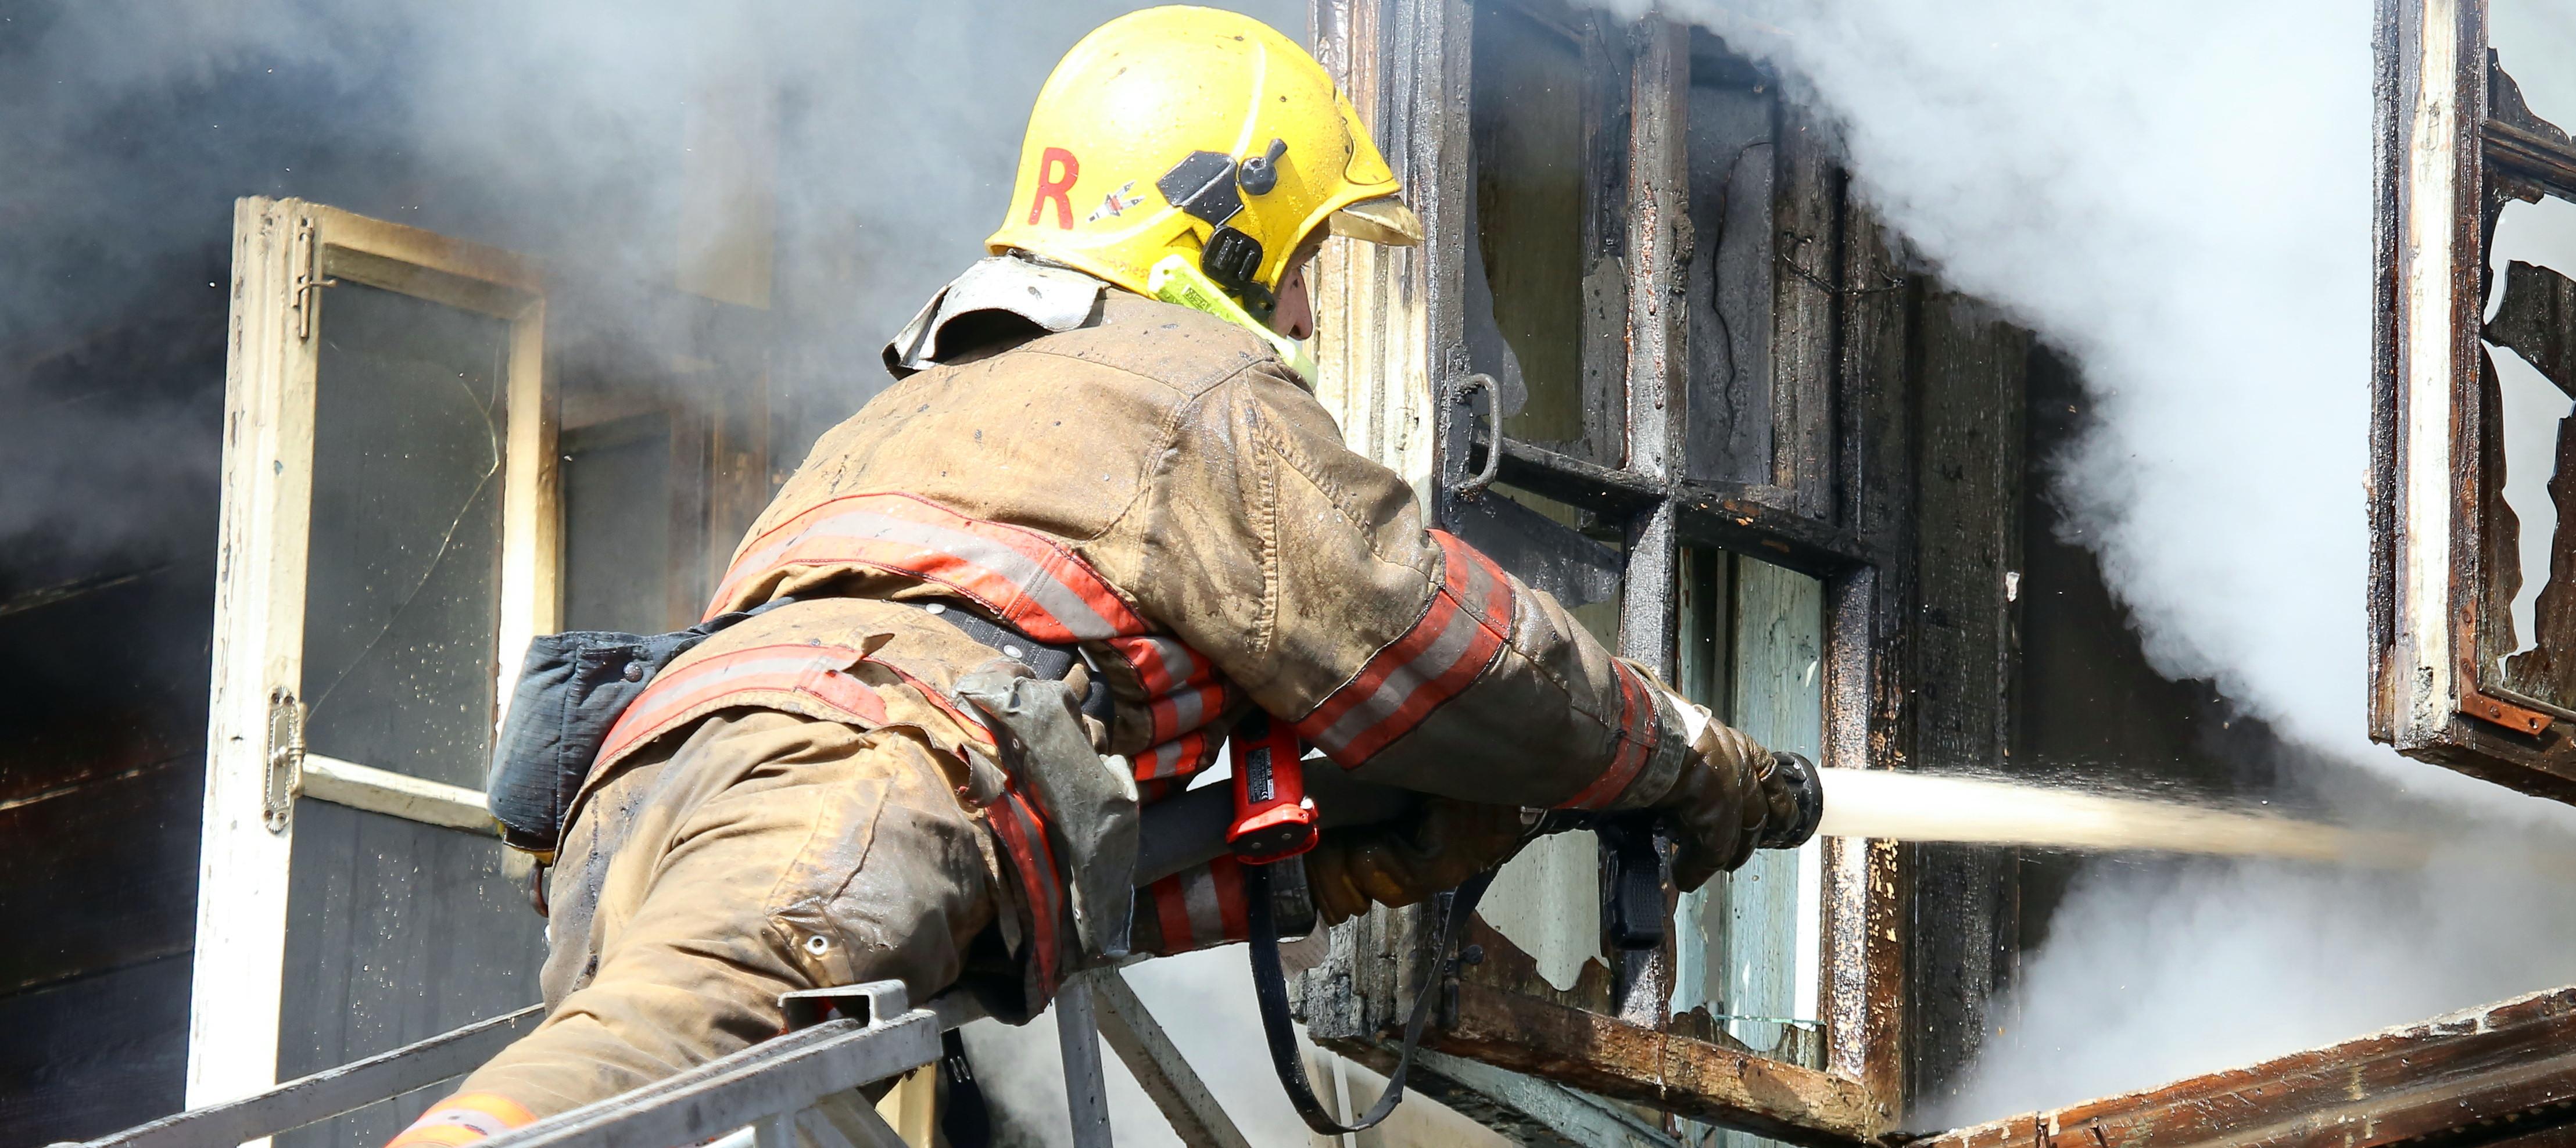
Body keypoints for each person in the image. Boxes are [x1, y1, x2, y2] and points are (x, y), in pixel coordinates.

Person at [384, 8, 1801, 1143]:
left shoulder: (904, 417)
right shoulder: (1191, 386)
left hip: (644, 802)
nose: (1305, 307)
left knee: (678, 1058)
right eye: (1302, 259)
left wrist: (1362, 847)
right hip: (855, 782)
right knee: (667, 1043)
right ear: (1218, 225)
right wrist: (1693, 761)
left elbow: (1069, 870)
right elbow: (1438, 647)